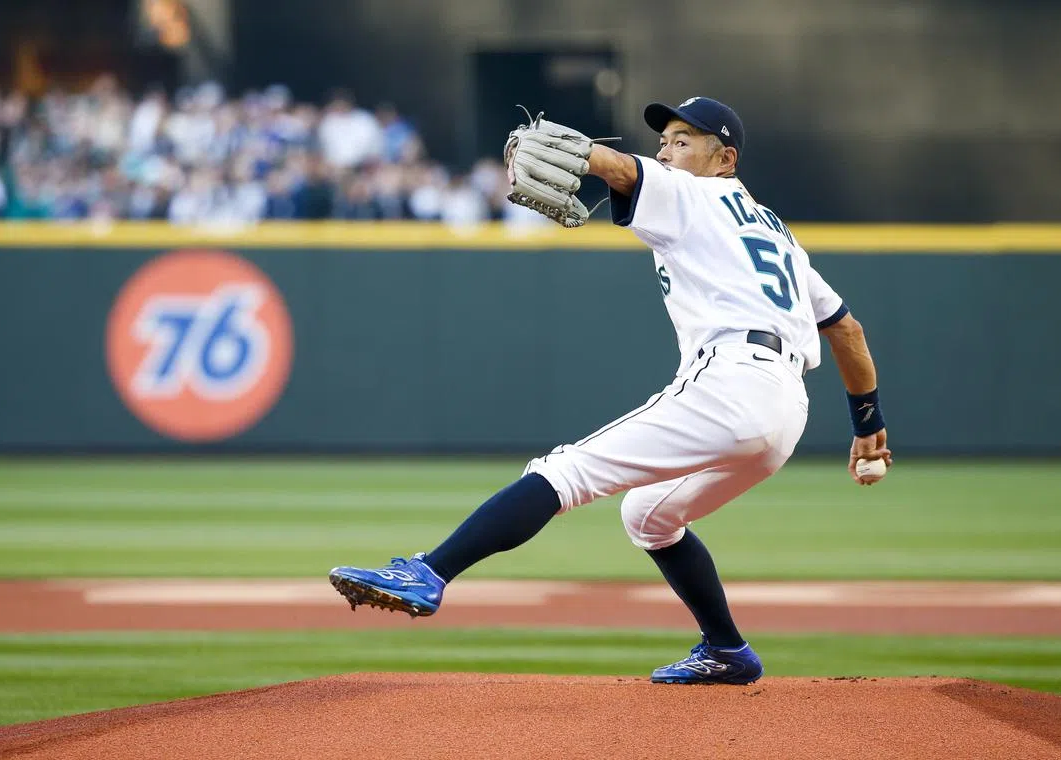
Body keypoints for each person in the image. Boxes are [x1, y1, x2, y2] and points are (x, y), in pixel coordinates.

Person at [329, 96, 893, 685]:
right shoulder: (778, 234)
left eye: (682, 139)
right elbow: (846, 330)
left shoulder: (693, 192)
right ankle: (727, 650)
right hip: (784, 412)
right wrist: (867, 427)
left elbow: (620, 171)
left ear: (724, 159)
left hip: (731, 380)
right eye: (665, 139)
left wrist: (580, 152)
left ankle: (429, 572)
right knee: (648, 515)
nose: (666, 150)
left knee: (564, 472)